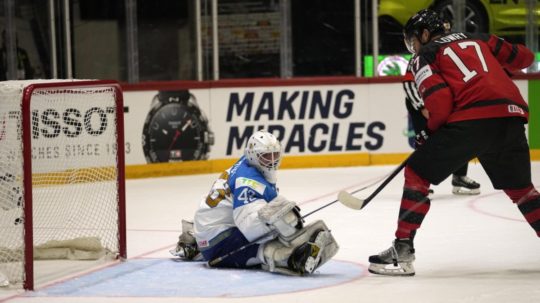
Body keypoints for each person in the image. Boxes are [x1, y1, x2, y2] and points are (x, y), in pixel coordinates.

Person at [369, 9, 540, 276]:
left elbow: (440, 102)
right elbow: (525, 58)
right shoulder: (481, 38)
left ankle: (402, 250)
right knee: (522, 191)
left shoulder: (424, 56)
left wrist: (429, 131)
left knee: (417, 173)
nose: (414, 46)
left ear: (425, 34)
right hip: (510, 117)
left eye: (414, 39)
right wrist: (499, 70)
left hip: (471, 120)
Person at [171, 130, 339, 275]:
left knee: (278, 222)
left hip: (211, 230)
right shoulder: (247, 181)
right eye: (266, 156)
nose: (272, 160)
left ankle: (195, 242)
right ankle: (292, 259)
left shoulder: (249, 164)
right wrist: (281, 221)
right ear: (253, 154)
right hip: (217, 244)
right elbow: (250, 228)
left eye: (275, 154)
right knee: (269, 244)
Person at [403, 47, 481, 196]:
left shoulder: (448, 52)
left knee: (460, 135)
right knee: (425, 142)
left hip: (446, 102)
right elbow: (409, 83)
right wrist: (422, 106)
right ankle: (418, 184)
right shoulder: (419, 57)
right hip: (424, 105)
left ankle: (459, 177)